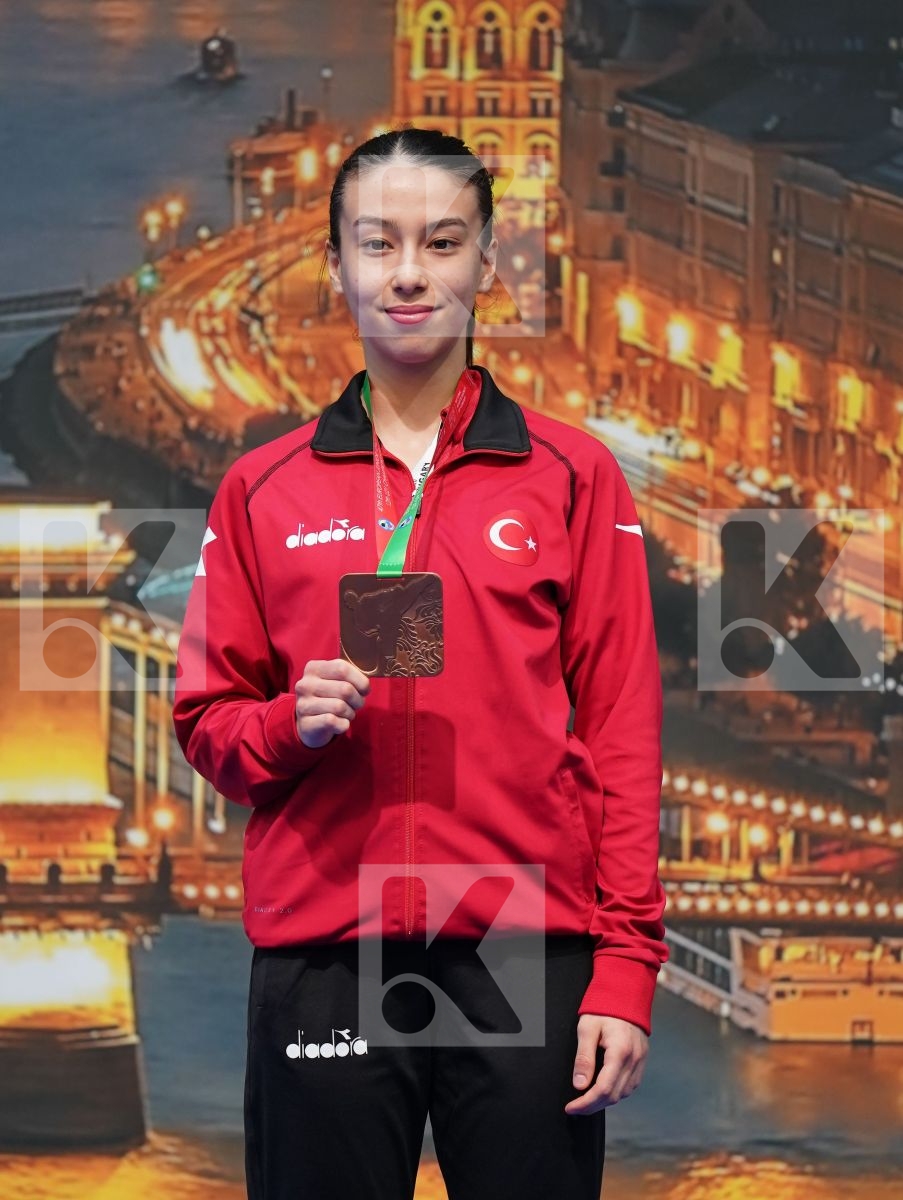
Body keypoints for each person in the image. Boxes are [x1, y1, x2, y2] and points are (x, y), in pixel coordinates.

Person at [172, 127, 668, 1200]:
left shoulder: (573, 477)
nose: (408, 272)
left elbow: (622, 734)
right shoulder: (261, 489)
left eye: (441, 242)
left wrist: (626, 969)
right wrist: (287, 725)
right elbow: (207, 725)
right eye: (378, 242)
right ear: (337, 266)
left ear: (487, 263)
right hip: (325, 945)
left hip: (522, 943)